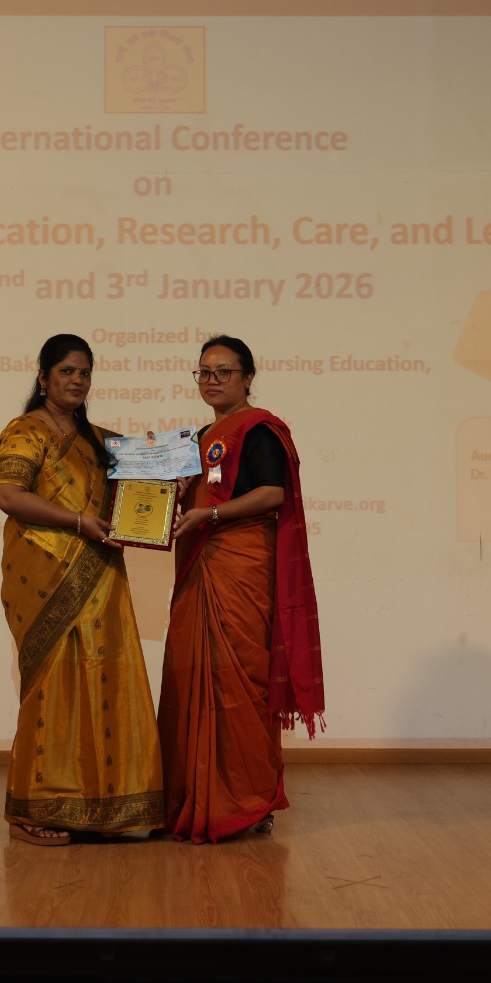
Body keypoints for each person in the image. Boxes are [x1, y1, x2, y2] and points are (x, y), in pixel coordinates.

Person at [0, 334, 164, 845]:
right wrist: (76, 521)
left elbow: (145, 482)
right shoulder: (26, 430)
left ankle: (104, 808)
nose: (77, 380)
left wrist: (161, 460)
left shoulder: (99, 440)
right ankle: (33, 810)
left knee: (105, 675)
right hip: (44, 576)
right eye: (66, 371)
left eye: (84, 372)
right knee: (52, 688)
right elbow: (8, 494)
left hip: (101, 574)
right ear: (43, 377)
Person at [158, 335, 324, 843]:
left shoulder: (258, 430)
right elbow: (195, 494)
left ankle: (247, 802)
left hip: (241, 566)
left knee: (242, 683)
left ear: (248, 377)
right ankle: (194, 798)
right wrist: (168, 486)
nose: (212, 380)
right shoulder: (199, 437)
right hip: (200, 565)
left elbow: (272, 493)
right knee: (193, 676)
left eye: (224, 372)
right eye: (204, 372)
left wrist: (210, 514)